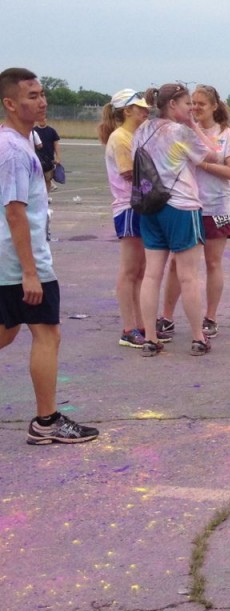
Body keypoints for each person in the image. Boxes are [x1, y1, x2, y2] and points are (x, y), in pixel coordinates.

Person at [0, 67, 99, 445]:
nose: (41, 102)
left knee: (6, 333)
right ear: (10, 103)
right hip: (21, 262)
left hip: (16, 259)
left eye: (42, 94)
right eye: (31, 96)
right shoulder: (11, 149)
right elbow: (14, 212)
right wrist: (30, 272)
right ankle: (46, 421)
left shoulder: (25, 141)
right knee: (47, 333)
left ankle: (47, 419)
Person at [132, 83, 220, 357]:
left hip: (150, 206)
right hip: (181, 206)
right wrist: (194, 126)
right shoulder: (181, 131)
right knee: (188, 276)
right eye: (186, 104)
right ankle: (197, 336)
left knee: (151, 274)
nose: (190, 109)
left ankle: (149, 336)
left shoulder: (142, 129)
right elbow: (214, 153)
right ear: (172, 105)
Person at [157, 85, 230, 341]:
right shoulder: (182, 132)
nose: (195, 108)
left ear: (215, 106)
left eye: (201, 104)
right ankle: (167, 317)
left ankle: (211, 317)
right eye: (192, 103)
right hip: (187, 207)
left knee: (213, 263)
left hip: (218, 207)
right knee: (176, 264)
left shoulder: (228, 135)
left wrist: (202, 163)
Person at [98, 88, 160, 349]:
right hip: (129, 207)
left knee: (141, 270)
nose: (145, 111)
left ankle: (141, 323)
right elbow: (128, 173)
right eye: (140, 108)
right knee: (130, 270)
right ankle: (128, 327)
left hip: (139, 206)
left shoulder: (133, 135)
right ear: (127, 111)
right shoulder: (121, 137)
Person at [32, 114, 60, 195]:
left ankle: (46, 196)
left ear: (46, 119)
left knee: (48, 180)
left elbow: (56, 144)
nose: (42, 121)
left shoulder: (52, 131)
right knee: (37, 180)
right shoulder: (33, 131)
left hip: (49, 159)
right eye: (40, 119)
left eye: (44, 119)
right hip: (36, 159)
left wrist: (58, 157)